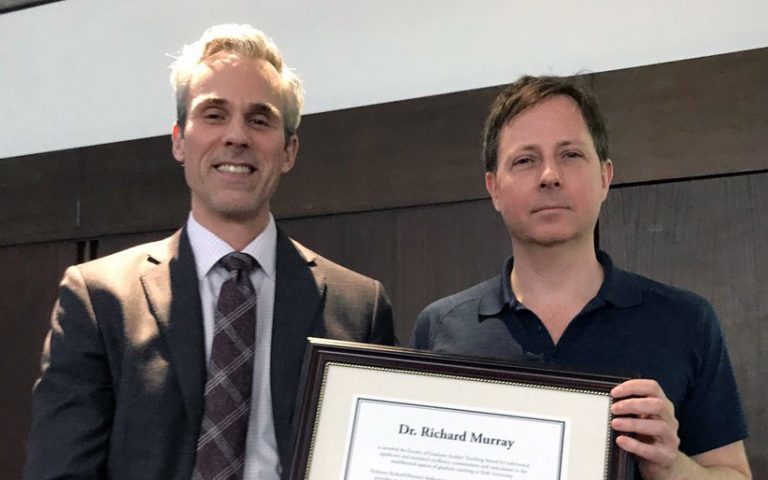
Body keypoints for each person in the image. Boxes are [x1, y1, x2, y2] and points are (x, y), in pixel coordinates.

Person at [25, 24, 395, 480]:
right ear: (179, 139)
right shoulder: (98, 300)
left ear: (289, 150)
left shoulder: (360, 306)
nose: (237, 136)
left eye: (259, 119)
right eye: (214, 115)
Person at [411, 75, 752, 479]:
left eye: (571, 154)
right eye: (525, 160)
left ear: (605, 177)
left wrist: (670, 465)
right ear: (494, 189)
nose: (549, 175)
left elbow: (734, 474)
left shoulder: (687, 320)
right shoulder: (441, 327)